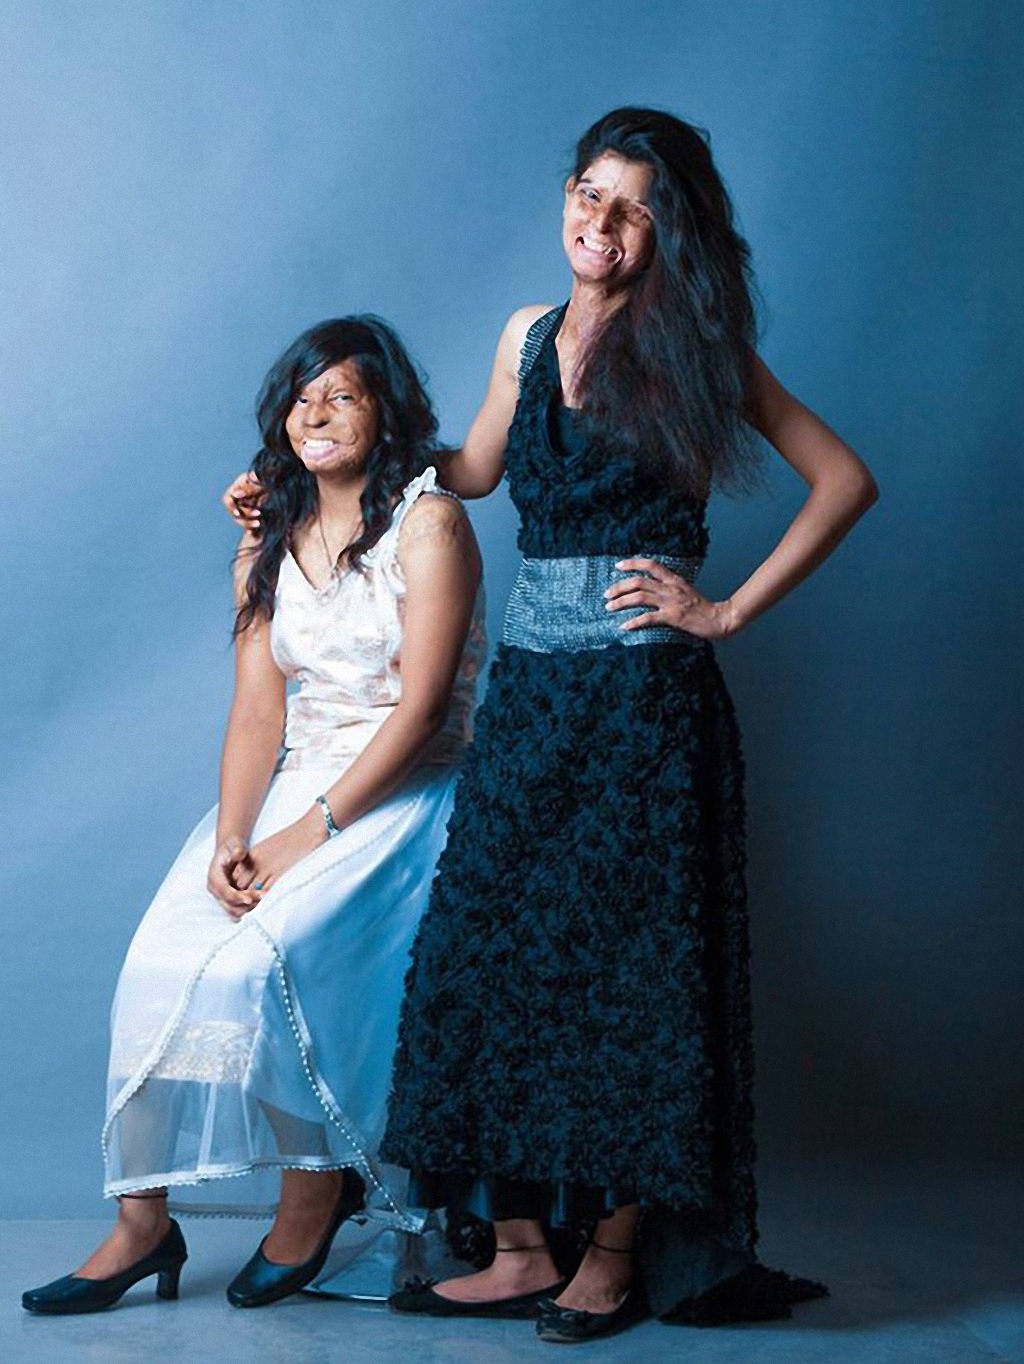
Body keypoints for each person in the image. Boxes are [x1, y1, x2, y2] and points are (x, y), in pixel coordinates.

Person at [225, 106, 878, 1343]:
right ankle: (522, 1247)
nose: (601, 222)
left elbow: (845, 479)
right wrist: (306, 461)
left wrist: (725, 609)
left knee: (631, 985)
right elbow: (470, 470)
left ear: (668, 230)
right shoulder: (527, 335)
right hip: (528, 697)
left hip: (642, 709)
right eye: (588, 193)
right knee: (482, 965)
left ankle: (614, 1255)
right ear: (565, 199)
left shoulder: (700, 349)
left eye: (633, 207)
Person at [22, 316, 485, 1316]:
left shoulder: (431, 525)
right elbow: (256, 710)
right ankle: (142, 1225)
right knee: (156, 963)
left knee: (264, 966)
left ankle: (314, 1193)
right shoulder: (267, 540)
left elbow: (419, 711)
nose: (316, 414)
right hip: (289, 786)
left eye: (343, 396)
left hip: (401, 791)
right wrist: (234, 834)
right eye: (302, 397)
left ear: (387, 414)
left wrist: (301, 837)